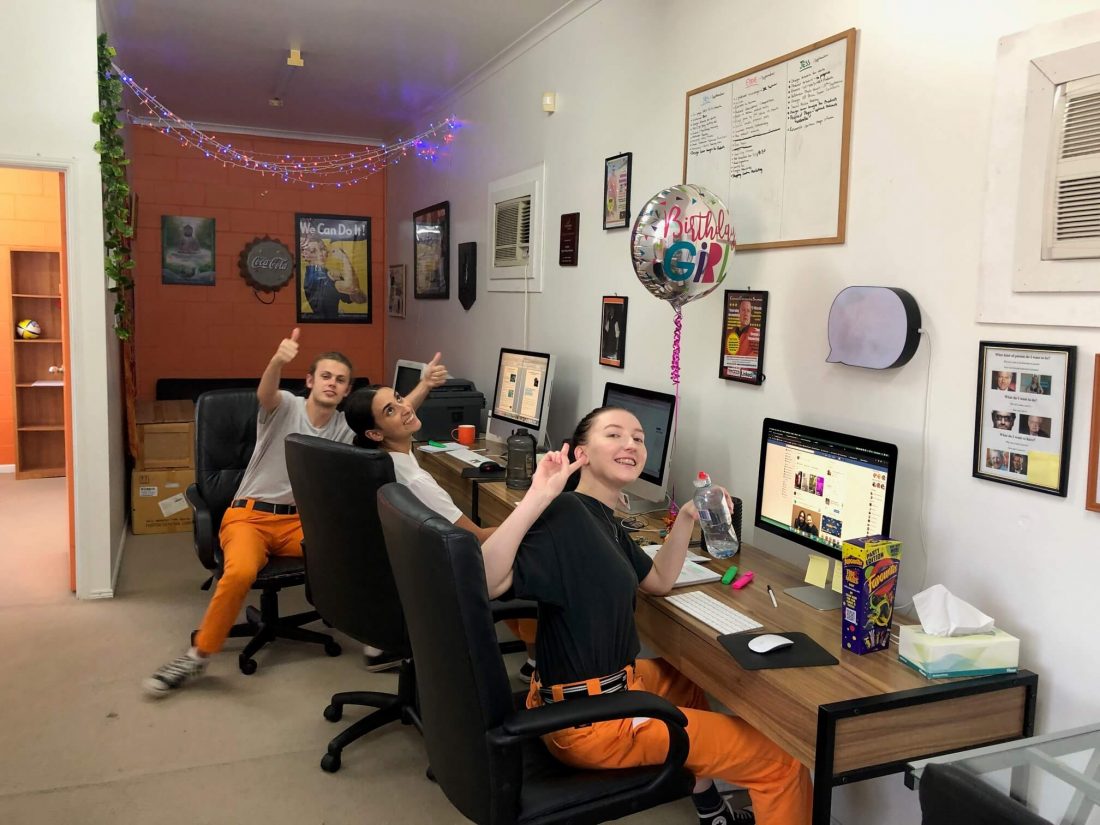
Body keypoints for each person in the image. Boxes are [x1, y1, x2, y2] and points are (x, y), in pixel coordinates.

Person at [480, 406, 812, 825]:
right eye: (615, 435)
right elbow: (488, 581)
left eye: (638, 438)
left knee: (689, 682)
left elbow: (656, 581)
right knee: (782, 763)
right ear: (580, 452)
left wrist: (689, 516)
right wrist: (538, 496)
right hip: (594, 723)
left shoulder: (603, 517)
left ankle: (712, 813)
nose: (631, 445)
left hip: (593, 691)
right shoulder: (565, 515)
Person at [143, 330, 356, 697]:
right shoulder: (286, 405)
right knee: (240, 570)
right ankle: (197, 656)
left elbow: (387, 421)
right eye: (325, 376)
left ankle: (374, 638)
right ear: (310, 381)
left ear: (347, 390)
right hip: (250, 517)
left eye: (340, 380)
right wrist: (277, 360)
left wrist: (421, 391)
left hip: (296, 523)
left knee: (356, 547)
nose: (332, 384)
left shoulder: (342, 428)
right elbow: (266, 393)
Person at [343, 358, 539, 681]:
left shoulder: (378, 458)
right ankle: (536, 665)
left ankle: (527, 648)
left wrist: (424, 386)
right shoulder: (416, 482)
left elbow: (402, 412)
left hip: (404, 566)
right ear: (375, 433)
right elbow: (476, 537)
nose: (403, 407)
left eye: (398, 397)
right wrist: (532, 511)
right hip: (439, 574)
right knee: (536, 553)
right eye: (390, 411)